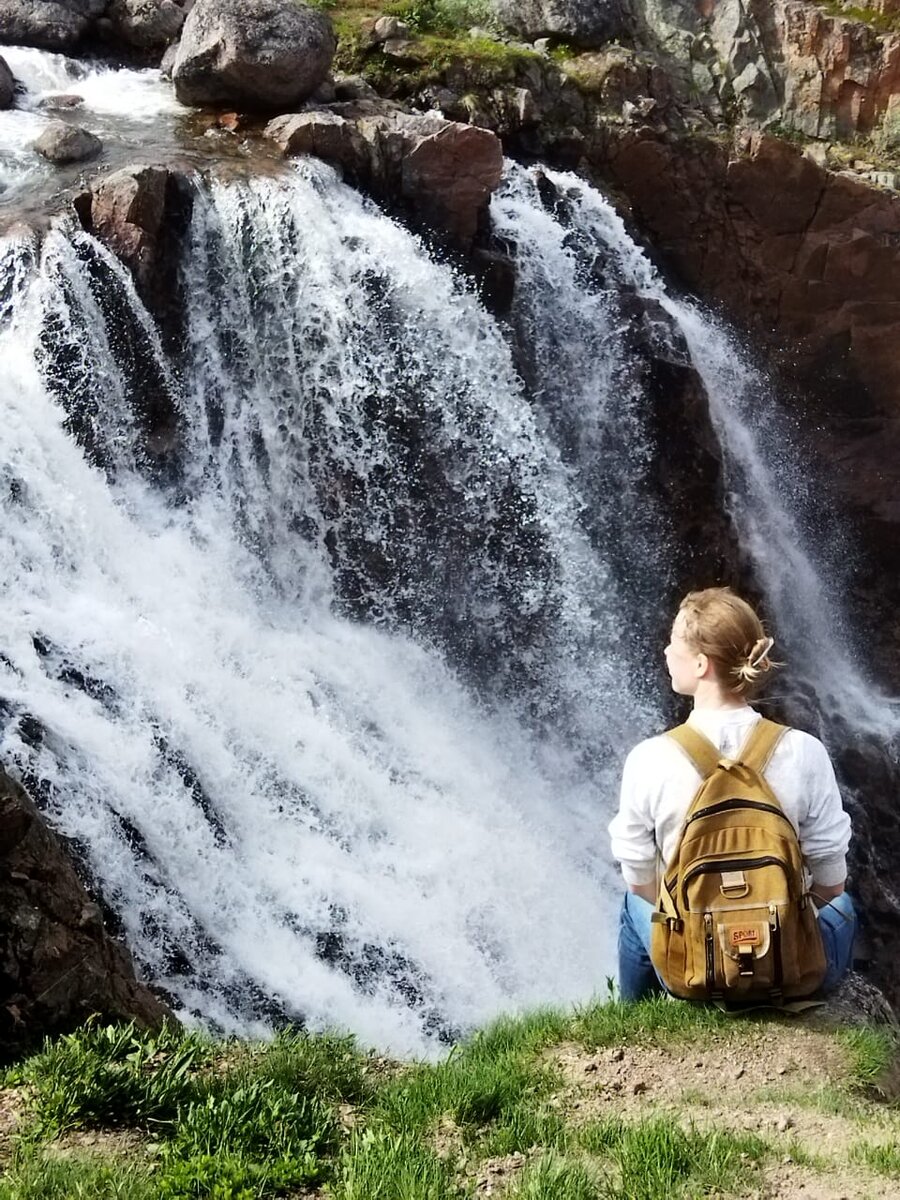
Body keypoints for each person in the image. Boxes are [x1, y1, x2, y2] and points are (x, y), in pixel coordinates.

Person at [609, 586, 855, 1001]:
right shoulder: (804, 751)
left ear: (701, 664)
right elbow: (831, 885)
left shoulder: (650, 758)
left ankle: (636, 1020)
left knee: (630, 911)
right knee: (846, 908)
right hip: (787, 967)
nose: (666, 652)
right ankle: (799, 992)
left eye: (674, 643)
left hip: (693, 971)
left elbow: (639, 884)